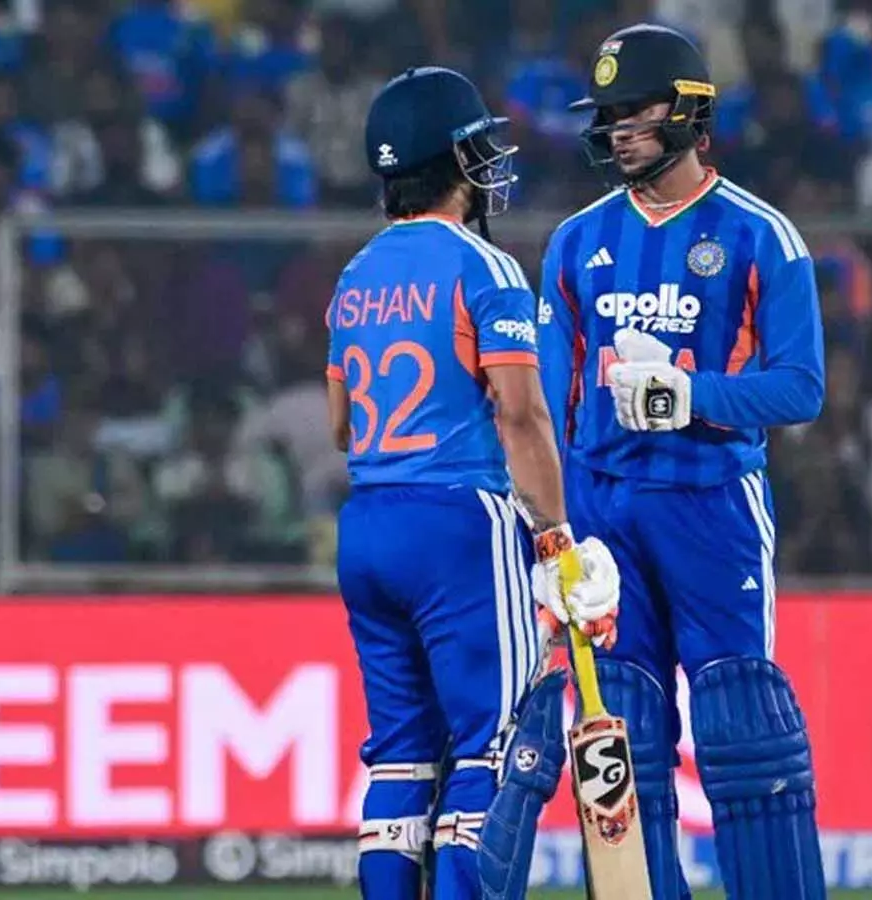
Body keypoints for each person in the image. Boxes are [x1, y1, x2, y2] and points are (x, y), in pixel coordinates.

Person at [537, 25, 827, 900]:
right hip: (601, 510)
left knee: (741, 723)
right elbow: (548, 405)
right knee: (621, 734)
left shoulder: (760, 235)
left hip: (712, 504)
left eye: (635, 111)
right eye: (608, 114)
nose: (617, 129)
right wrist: (546, 531)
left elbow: (801, 388)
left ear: (691, 113)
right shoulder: (574, 242)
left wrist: (687, 396)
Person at [326, 66, 621, 900]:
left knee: (400, 758)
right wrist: (557, 536)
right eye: (477, 147)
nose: (490, 161)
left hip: (368, 521)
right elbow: (521, 417)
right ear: (452, 160)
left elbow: (340, 426)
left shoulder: (354, 275)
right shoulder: (483, 266)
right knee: (492, 747)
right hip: (458, 522)